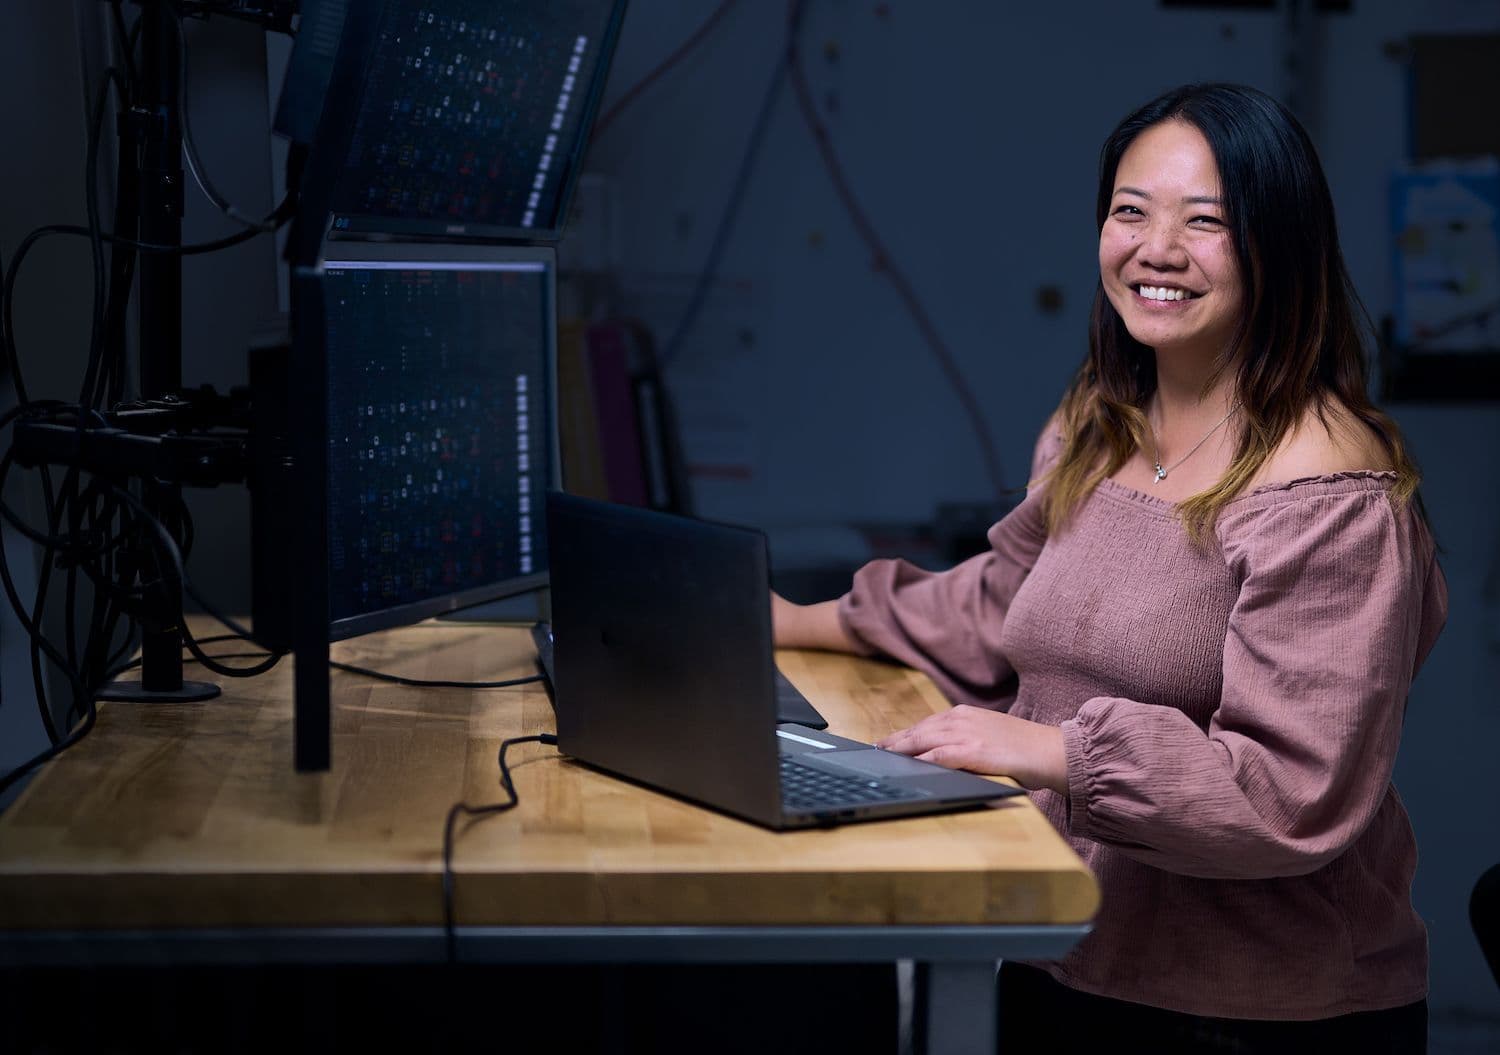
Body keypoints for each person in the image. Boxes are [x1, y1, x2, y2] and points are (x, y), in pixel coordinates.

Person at [774, 82, 1446, 1053]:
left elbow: (1289, 790)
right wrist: (789, 620)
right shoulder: (1101, 424)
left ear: (1280, 246)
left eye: (1206, 222)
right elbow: (1003, 602)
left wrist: (1049, 751)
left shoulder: (1330, 493)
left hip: (1261, 1012)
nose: (1156, 249)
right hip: (1066, 951)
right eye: (1130, 211)